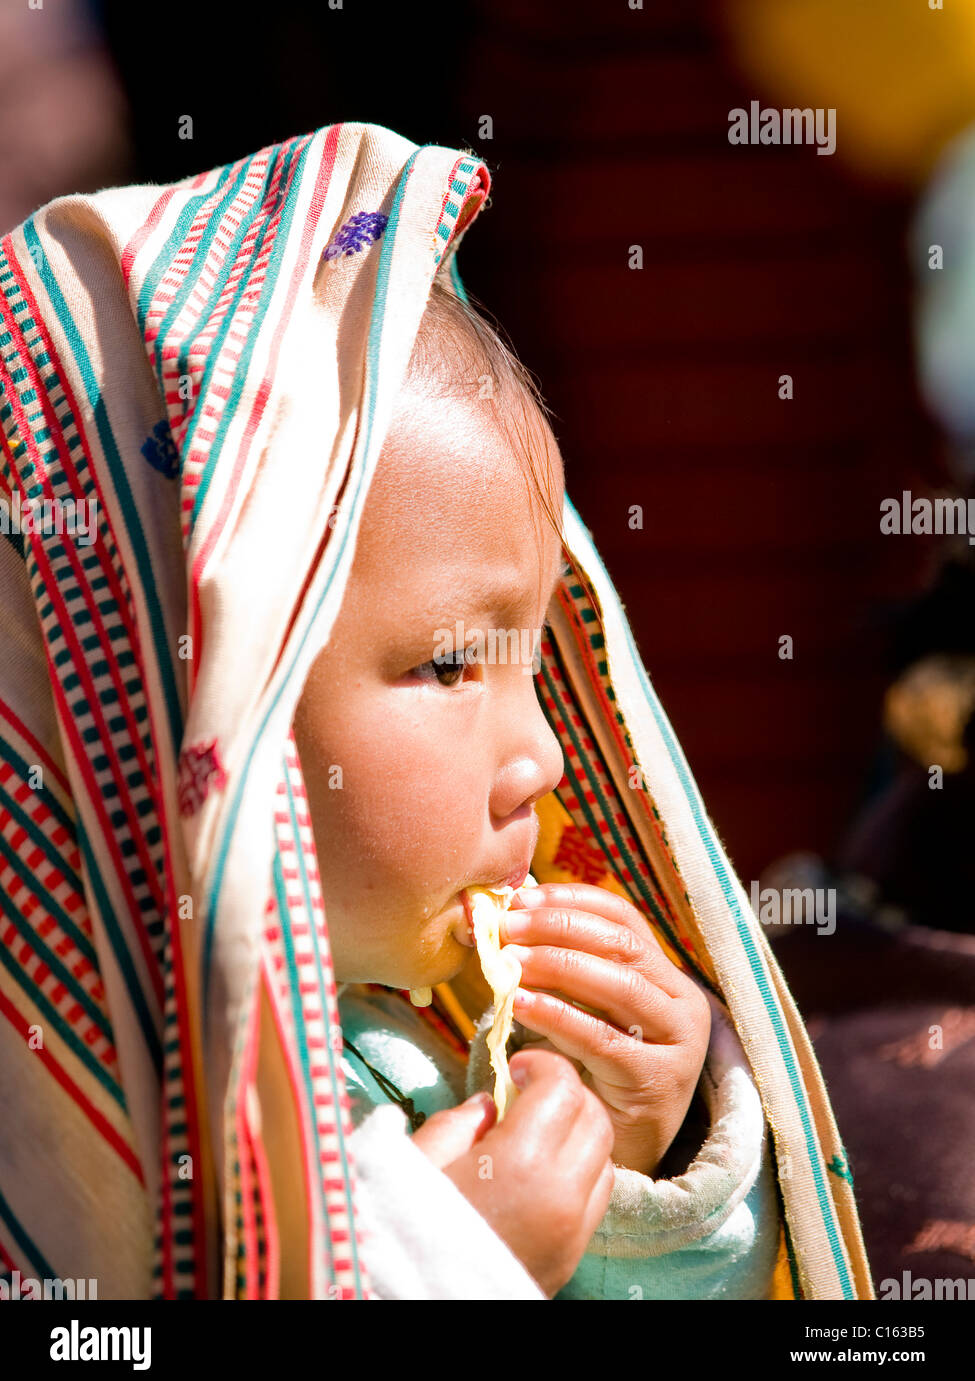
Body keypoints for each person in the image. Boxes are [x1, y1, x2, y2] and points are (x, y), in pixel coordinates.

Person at [0, 121, 872, 1299]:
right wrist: (447, 1256)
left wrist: (647, 1153)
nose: (548, 755)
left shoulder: (444, 1031)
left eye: (536, 666)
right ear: (196, 705)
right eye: (452, 665)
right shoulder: (62, 1125)